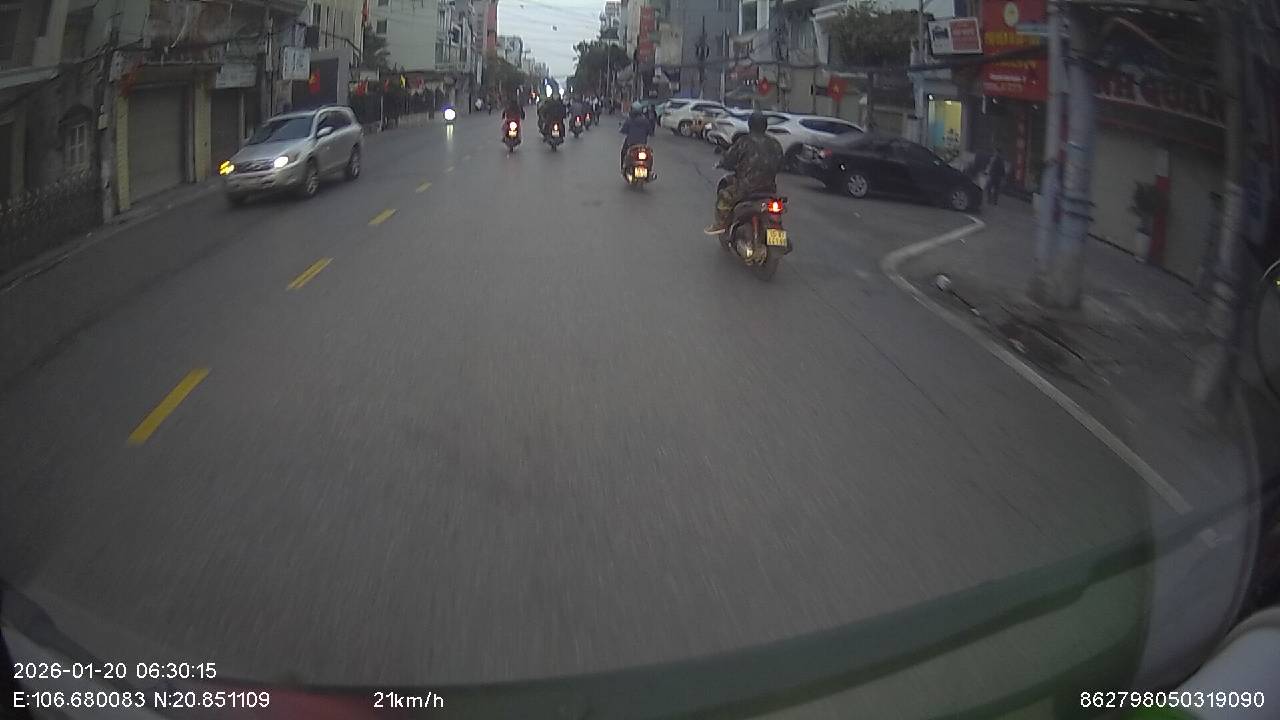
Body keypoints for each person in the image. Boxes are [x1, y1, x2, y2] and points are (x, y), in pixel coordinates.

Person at [704, 111, 783, 235]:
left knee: (724, 196)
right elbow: (781, 165)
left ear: (750, 125)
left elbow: (729, 160)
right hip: (769, 189)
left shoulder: (744, 142)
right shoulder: (775, 144)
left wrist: (722, 163)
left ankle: (721, 224)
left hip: (746, 188)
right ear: (765, 126)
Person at [619, 107, 654, 172]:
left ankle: (622, 168)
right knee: (649, 154)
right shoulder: (646, 121)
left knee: (623, 152)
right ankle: (649, 170)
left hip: (631, 144)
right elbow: (651, 133)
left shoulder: (629, 120)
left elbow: (623, 130)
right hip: (642, 144)